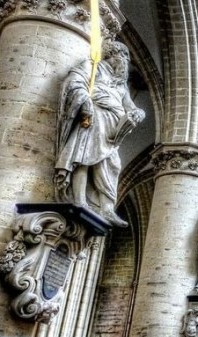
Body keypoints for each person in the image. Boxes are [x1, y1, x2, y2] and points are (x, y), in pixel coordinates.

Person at [55, 39, 145, 228]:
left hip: (113, 130)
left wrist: (138, 113)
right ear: (112, 55)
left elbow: (130, 106)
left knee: (112, 164)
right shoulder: (94, 67)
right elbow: (75, 81)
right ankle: (79, 200)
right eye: (123, 57)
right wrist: (85, 101)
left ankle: (106, 208)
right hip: (94, 117)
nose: (125, 63)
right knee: (84, 157)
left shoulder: (121, 86)